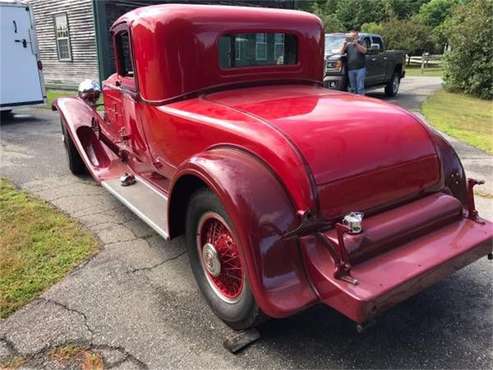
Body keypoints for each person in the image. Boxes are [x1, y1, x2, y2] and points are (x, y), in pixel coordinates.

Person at [341, 30, 367, 95]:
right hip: (351, 69)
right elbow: (341, 52)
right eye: (351, 36)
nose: (352, 37)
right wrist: (344, 45)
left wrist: (356, 44)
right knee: (353, 89)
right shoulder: (348, 44)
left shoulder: (362, 42)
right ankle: (354, 103)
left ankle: (361, 102)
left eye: (353, 36)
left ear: (357, 35)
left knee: (360, 88)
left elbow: (364, 51)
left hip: (360, 68)